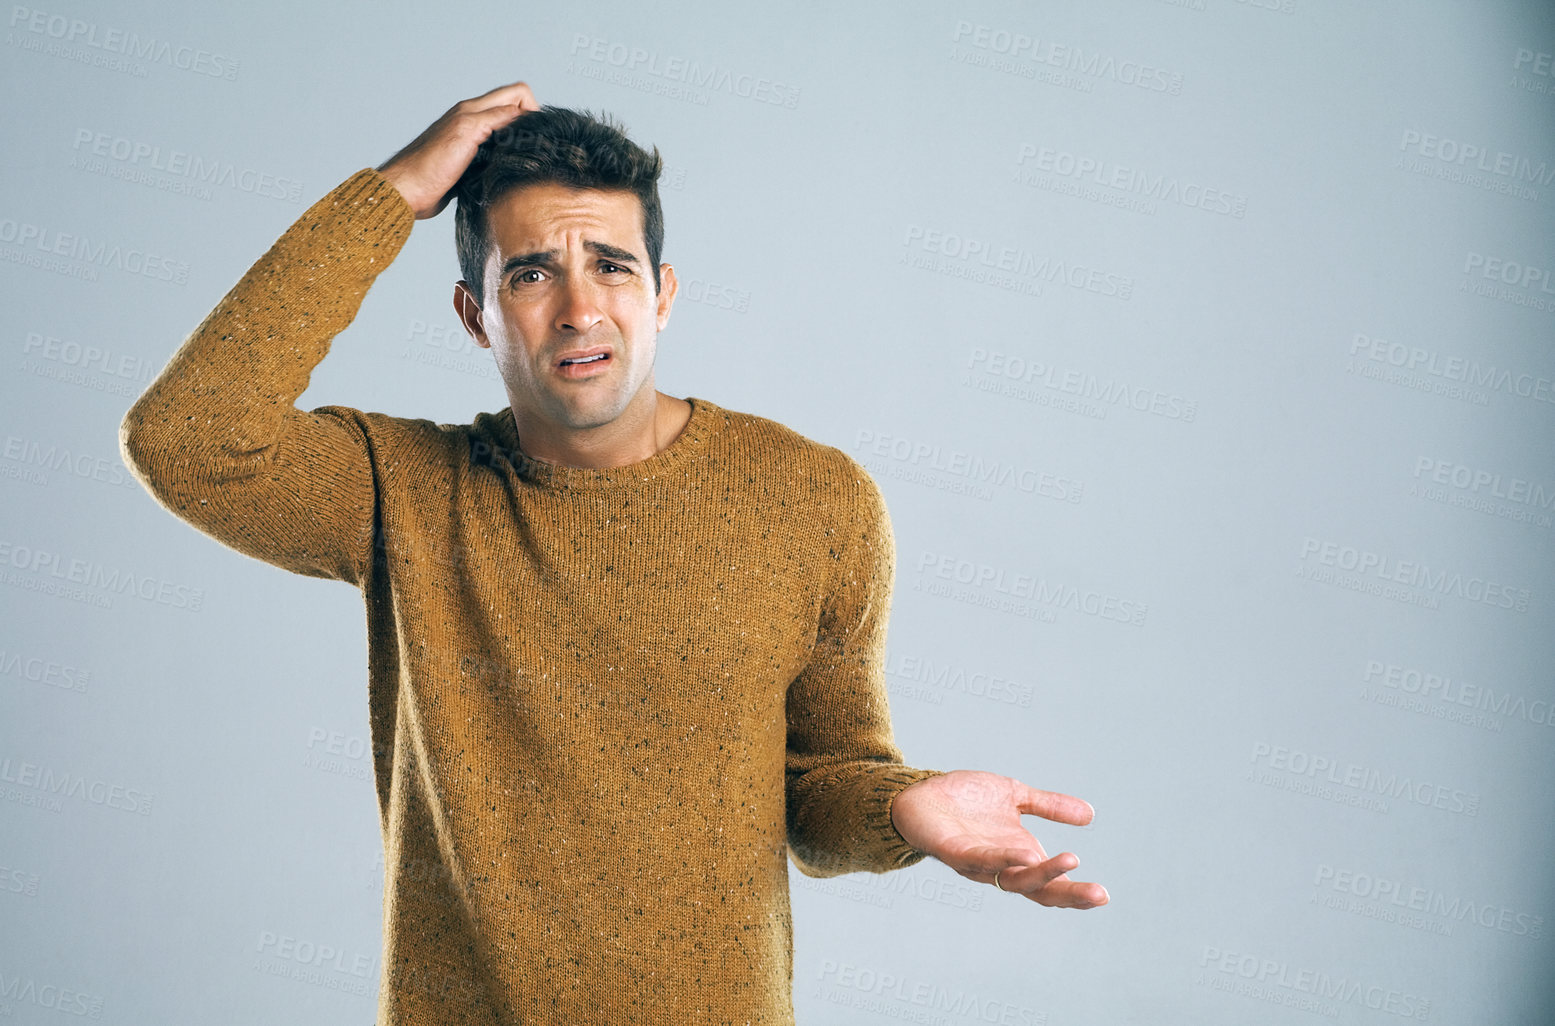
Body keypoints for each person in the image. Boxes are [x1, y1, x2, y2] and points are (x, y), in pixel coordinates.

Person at [120, 80, 1107, 1026]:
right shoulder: (402, 493)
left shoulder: (813, 500)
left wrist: (905, 808)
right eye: (532, 272)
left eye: (612, 266)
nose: (579, 307)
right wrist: (394, 194)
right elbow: (187, 437)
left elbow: (819, 788)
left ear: (663, 293)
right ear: (476, 316)